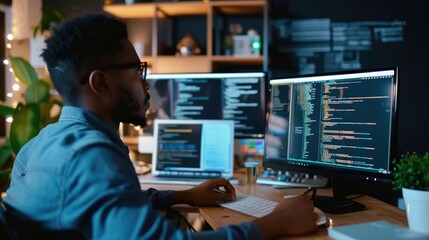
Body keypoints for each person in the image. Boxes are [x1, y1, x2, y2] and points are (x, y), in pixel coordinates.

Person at [3, 13, 318, 239]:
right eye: (138, 70)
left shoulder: (40, 144)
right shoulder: (93, 155)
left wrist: (182, 196)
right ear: (100, 82)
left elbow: (106, 201)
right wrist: (275, 223)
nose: (146, 83)